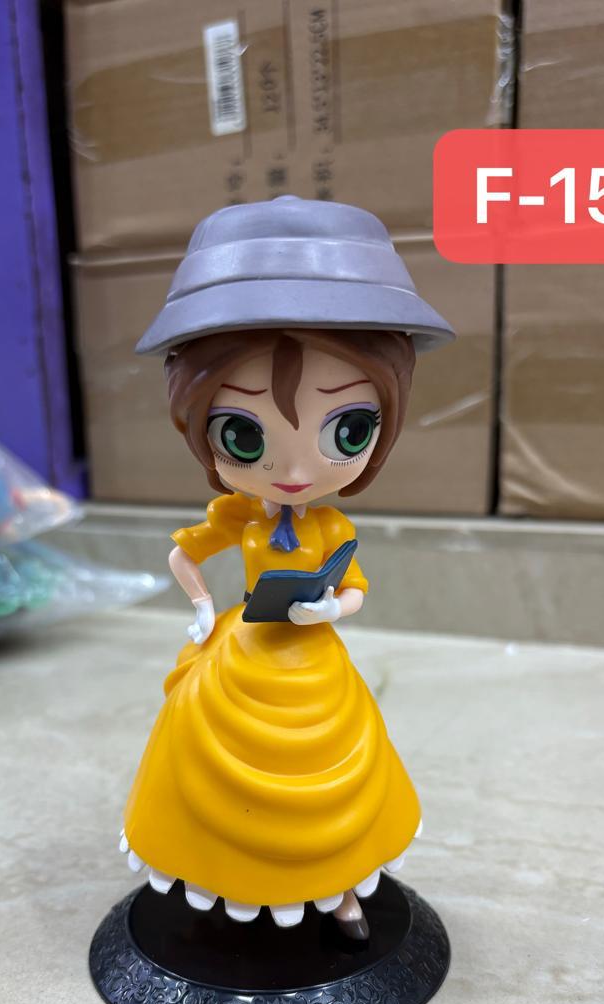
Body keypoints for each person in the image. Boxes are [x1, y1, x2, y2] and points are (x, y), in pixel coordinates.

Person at [119, 197, 454, 941]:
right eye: (244, 435)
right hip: (241, 653)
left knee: (336, 781)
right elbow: (184, 552)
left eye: (349, 429)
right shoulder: (239, 515)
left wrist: (328, 609)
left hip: (312, 660)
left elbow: (355, 588)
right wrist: (201, 608)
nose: (297, 471)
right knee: (206, 767)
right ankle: (221, 874)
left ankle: (339, 887)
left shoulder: (331, 525)